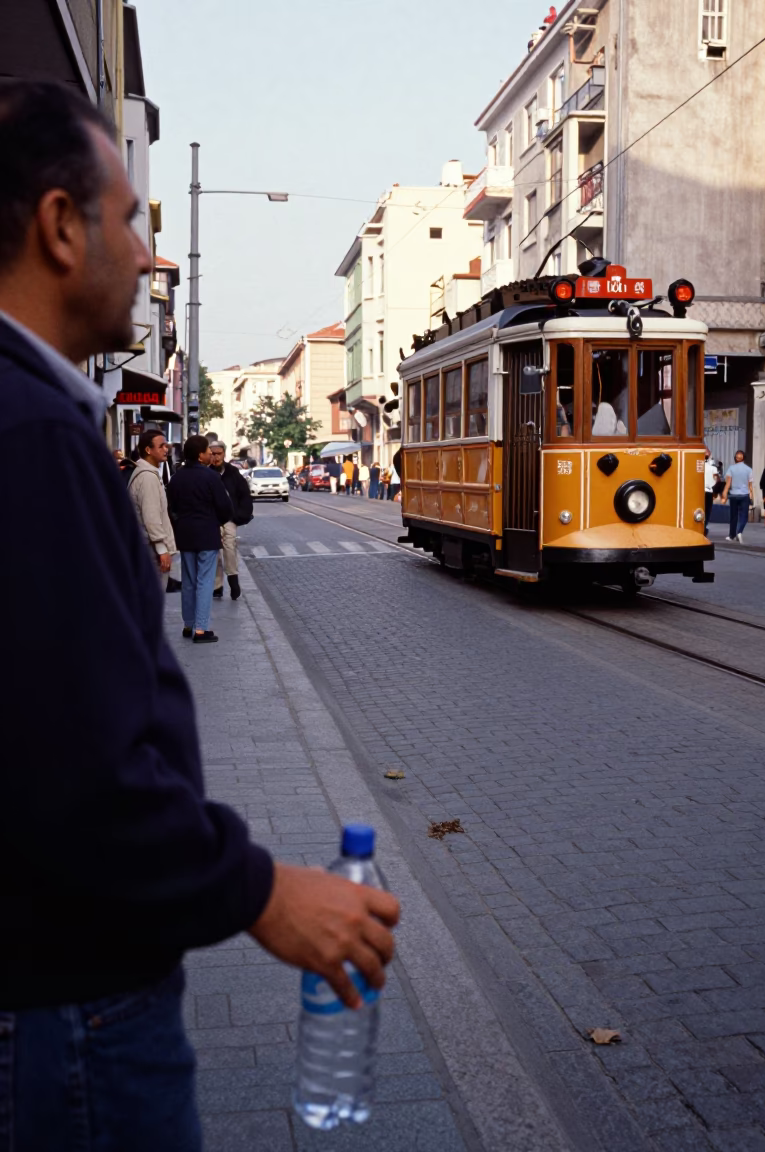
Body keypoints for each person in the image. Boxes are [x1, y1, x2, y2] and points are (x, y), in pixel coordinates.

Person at [0, 80, 400, 1151]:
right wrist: (261, 893)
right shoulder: (32, 433)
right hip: (77, 994)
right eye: (127, 221)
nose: (141, 253)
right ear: (56, 227)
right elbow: (74, 770)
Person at [167, 436, 233, 643]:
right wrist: (218, 521)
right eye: (207, 451)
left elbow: (171, 507)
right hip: (206, 534)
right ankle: (202, 629)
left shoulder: (177, 478)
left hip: (185, 535)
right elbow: (224, 507)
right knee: (205, 581)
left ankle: (188, 625)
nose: (210, 454)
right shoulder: (210, 477)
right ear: (199, 454)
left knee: (188, 580)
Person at [128, 428, 177, 583]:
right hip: (151, 550)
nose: (166, 449)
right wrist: (162, 550)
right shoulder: (148, 477)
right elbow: (151, 517)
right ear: (148, 450)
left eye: (166, 445)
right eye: (161, 446)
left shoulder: (146, 473)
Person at [210, 439, 253, 600]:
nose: (215, 457)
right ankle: (217, 586)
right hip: (212, 519)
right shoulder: (207, 472)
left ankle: (233, 580)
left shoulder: (232, 473)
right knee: (214, 552)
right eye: (212, 454)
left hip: (229, 518)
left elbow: (244, 495)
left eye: (218, 454)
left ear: (224, 454)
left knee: (229, 547)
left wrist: (239, 516)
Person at [720, 449, 753, 543]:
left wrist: (724, 493)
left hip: (733, 495)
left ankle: (732, 535)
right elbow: (750, 485)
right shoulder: (748, 469)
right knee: (744, 516)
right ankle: (740, 531)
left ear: (735, 458)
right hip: (744, 495)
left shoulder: (731, 468)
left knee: (733, 516)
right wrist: (751, 496)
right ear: (744, 458)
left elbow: (728, 483)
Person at [703, 446, 718, 537]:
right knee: (707, 511)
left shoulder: (696, 465)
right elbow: (715, 480)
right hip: (709, 491)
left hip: (699, 491)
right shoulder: (713, 468)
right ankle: (704, 526)